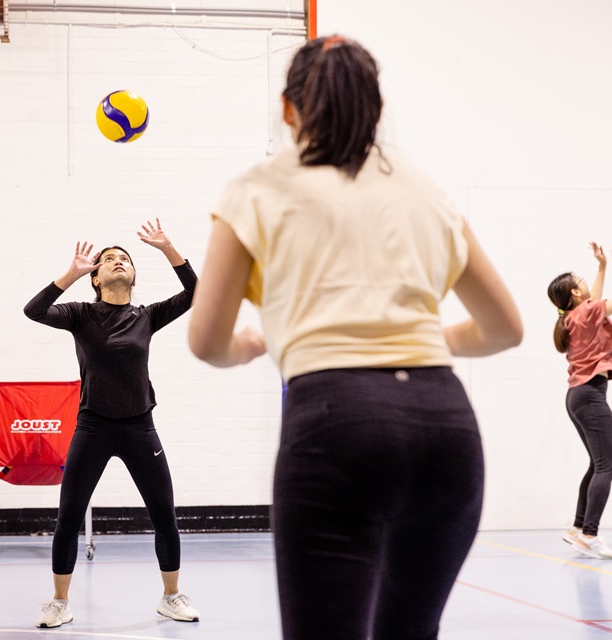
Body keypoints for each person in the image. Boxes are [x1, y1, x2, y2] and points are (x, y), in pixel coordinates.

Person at [187, 35, 523, 640]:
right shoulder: (428, 193)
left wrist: (252, 344)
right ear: (375, 107)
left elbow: (206, 340)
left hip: (337, 424)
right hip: (446, 427)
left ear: (289, 111)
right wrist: (423, 341)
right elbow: (505, 328)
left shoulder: (257, 188)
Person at [24, 218, 200, 628]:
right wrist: (71, 273)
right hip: (93, 428)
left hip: (140, 427)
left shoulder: (147, 315)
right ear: (97, 278)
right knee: (68, 517)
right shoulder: (81, 314)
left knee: (164, 516)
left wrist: (168, 248)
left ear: (133, 275)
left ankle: (171, 596)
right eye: (109, 260)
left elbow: (196, 292)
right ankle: (59, 602)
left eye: (125, 259)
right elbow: (34, 311)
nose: (118, 262)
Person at [547, 242, 612, 560]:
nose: (586, 282)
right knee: (607, 466)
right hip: (590, 395)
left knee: (596, 464)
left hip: (576, 396)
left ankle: (577, 528)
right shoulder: (586, 312)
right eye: (580, 280)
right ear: (574, 294)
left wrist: (601, 267)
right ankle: (590, 534)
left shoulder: (574, 316)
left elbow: (593, 299)